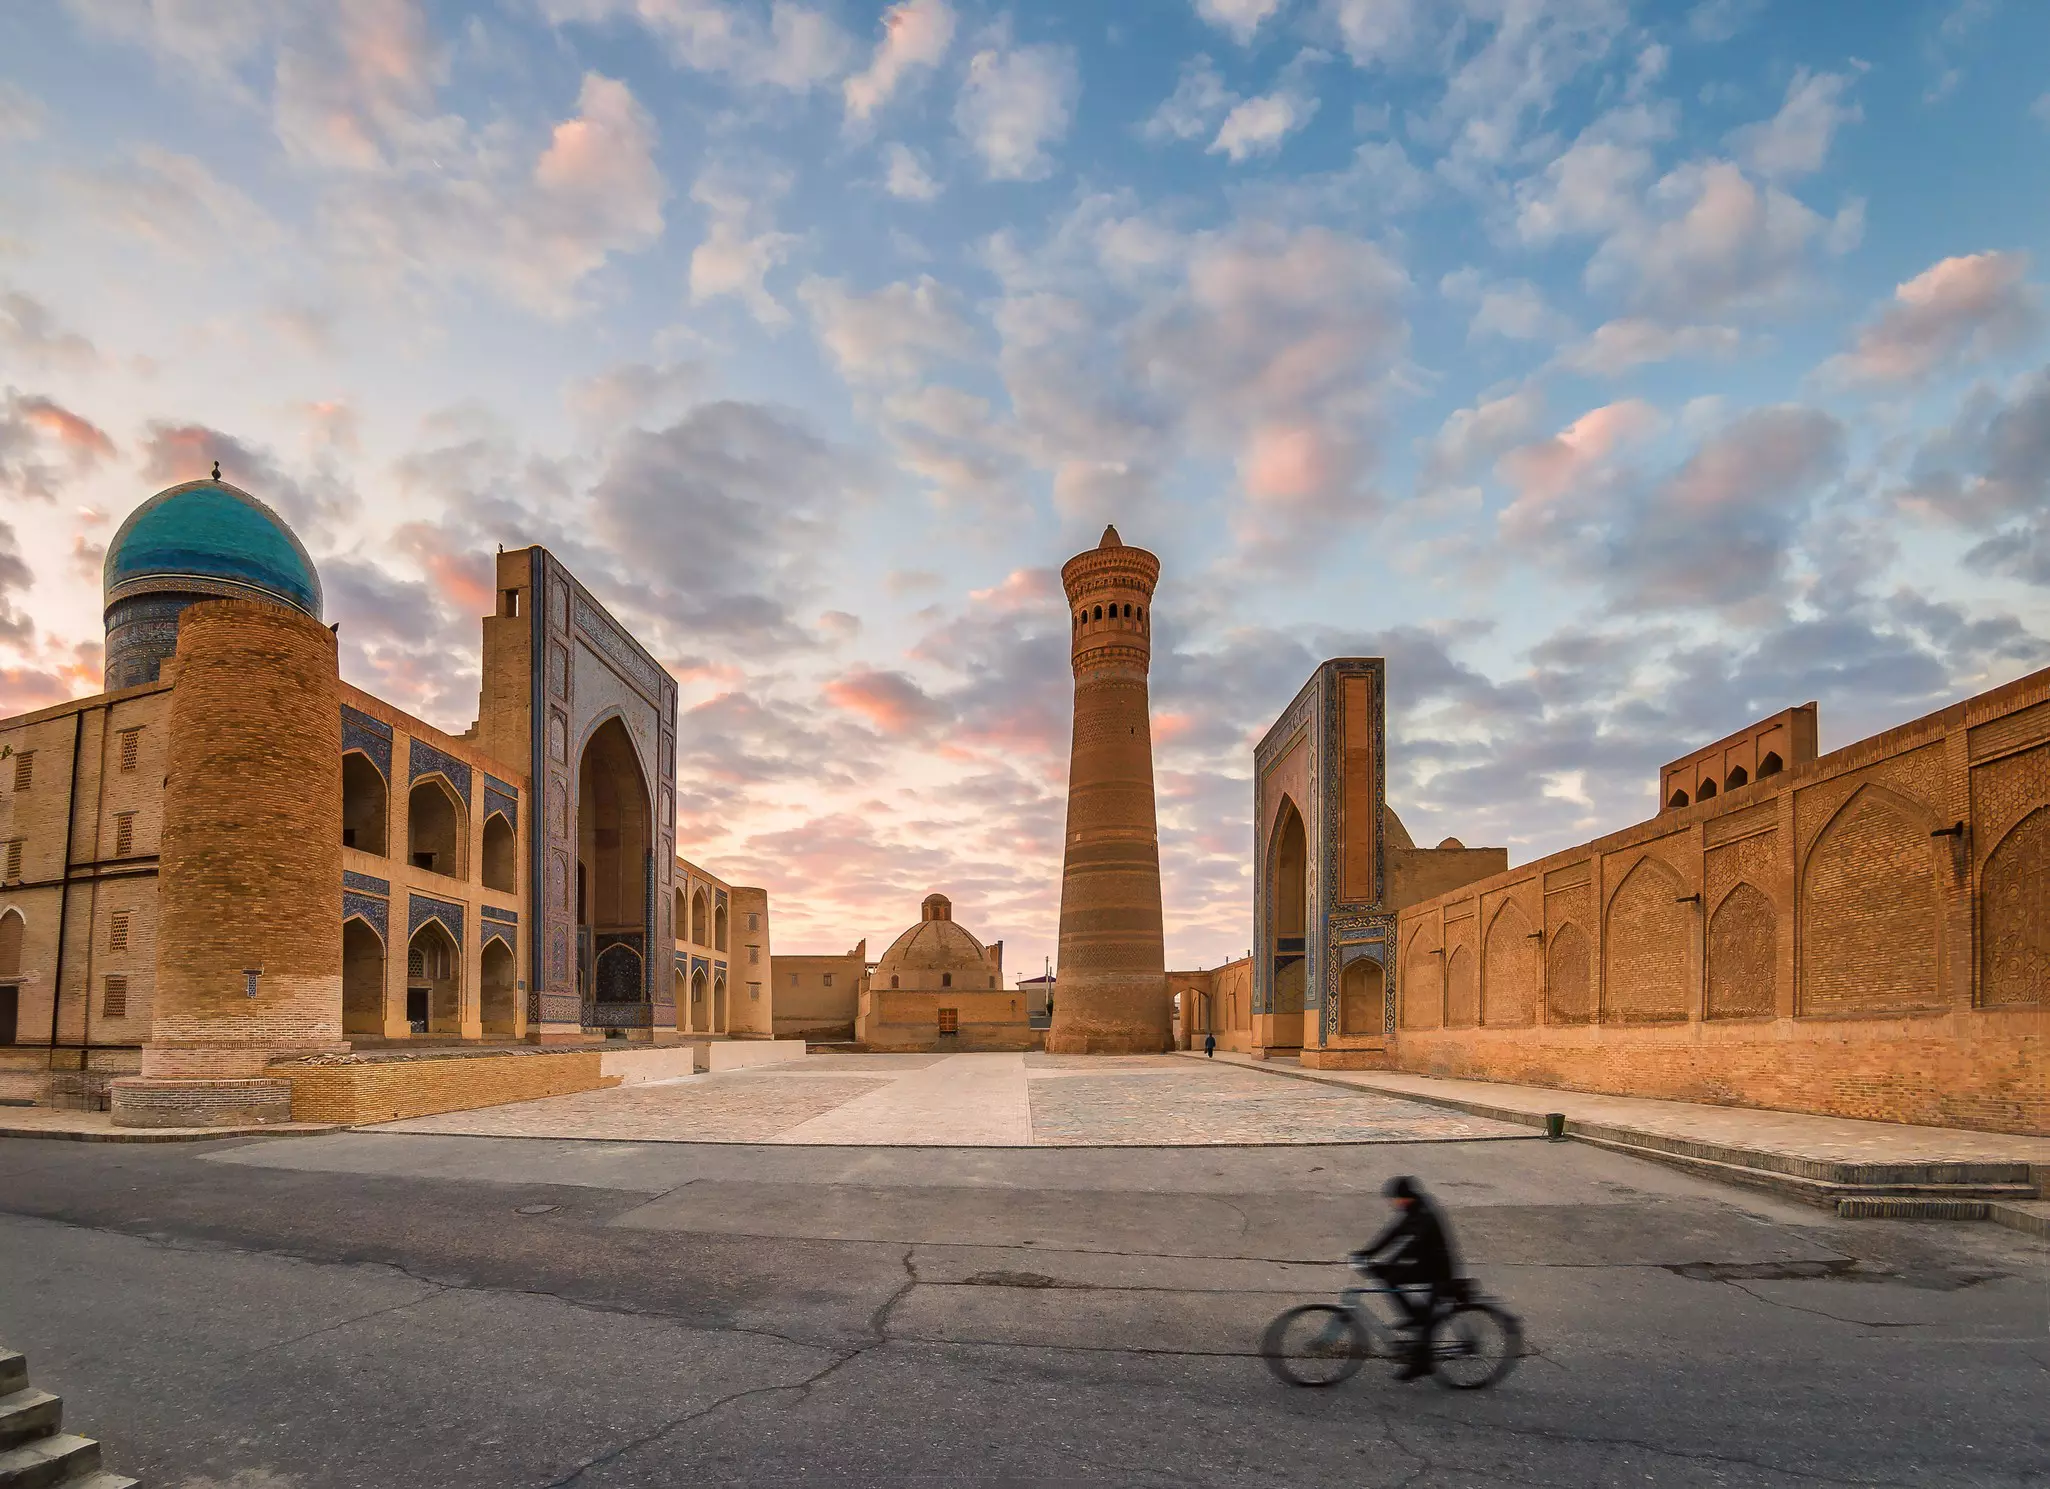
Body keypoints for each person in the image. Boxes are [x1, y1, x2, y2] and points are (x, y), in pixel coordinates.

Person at [1353, 1175, 1460, 1381]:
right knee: (1388, 1278)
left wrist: (1393, 1262)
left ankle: (1422, 1364)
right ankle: (1413, 1316)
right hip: (1424, 1264)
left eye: (1397, 1199)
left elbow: (1413, 1245)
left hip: (1439, 1271)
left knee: (1427, 1322)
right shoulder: (1412, 1210)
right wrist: (1367, 1253)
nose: (1394, 1203)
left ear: (1406, 1197)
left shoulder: (1424, 1215)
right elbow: (1393, 1233)